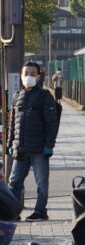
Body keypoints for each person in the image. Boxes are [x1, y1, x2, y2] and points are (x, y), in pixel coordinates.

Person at [10, 62, 60, 222]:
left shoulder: (45, 96)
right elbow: (12, 121)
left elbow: (52, 123)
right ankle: (12, 212)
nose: (29, 77)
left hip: (39, 149)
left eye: (33, 74)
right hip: (20, 148)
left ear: (39, 76)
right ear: (21, 75)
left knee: (41, 183)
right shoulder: (17, 95)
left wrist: (49, 145)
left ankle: (40, 212)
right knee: (14, 182)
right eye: (26, 73)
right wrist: (11, 143)